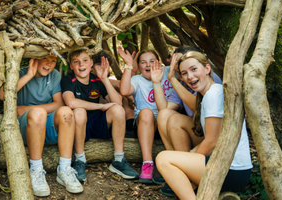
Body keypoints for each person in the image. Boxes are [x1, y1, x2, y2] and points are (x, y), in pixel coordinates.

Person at [155, 51, 252, 199]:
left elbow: (212, 141)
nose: (190, 76)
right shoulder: (208, 94)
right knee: (171, 150)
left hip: (231, 170)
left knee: (163, 159)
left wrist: (188, 164)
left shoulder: (214, 94)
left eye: (194, 69)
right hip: (229, 168)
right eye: (184, 73)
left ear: (207, 69)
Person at [0, 56, 83, 197]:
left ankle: (65, 169)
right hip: (25, 128)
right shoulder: (20, 72)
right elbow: (2, 95)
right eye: (45, 58)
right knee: (38, 114)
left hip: (45, 126)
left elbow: (58, 104)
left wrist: (26, 108)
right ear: (35, 59)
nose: (49, 64)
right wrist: (29, 75)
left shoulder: (54, 75)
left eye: (53, 61)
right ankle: (36, 170)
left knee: (66, 112)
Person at [61, 48, 139, 182]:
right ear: (71, 66)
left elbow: (117, 102)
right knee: (79, 112)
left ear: (91, 63)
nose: (81, 65)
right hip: (79, 125)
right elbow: (71, 102)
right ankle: (80, 160)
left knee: (118, 110)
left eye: (85, 61)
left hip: (97, 122)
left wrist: (104, 79)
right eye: (76, 62)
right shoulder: (68, 80)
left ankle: (119, 159)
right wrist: (101, 106)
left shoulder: (97, 79)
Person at [118, 47, 174, 184]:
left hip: (168, 121)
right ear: (139, 67)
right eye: (143, 62)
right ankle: (147, 165)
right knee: (147, 113)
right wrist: (128, 66)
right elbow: (124, 91)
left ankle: (173, 165)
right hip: (145, 124)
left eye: (152, 61)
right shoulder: (137, 79)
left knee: (167, 114)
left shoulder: (168, 72)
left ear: (159, 63)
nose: (148, 65)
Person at [155, 46, 222, 152]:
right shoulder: (183, 83)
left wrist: (172, 79)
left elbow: (197, 107)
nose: (175, 65)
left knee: (175, 120)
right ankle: (175, 158)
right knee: (164, 115)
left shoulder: (210, 80)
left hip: (215, 136)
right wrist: (156, 82)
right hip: (199, 130)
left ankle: (180, 161)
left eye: (178, 61)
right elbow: (164, 109)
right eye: (174, 61)